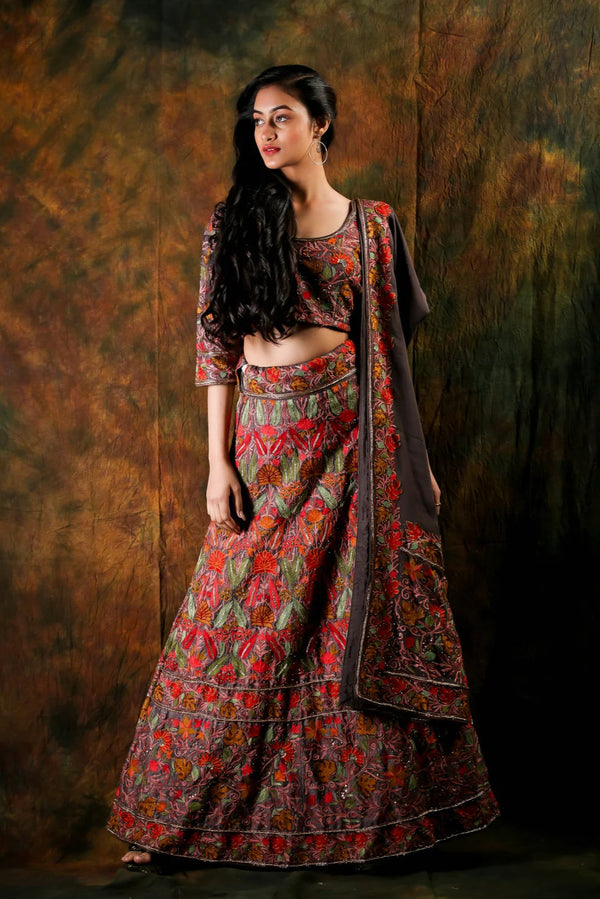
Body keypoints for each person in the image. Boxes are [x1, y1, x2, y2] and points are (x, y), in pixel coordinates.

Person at [108, 64, 498, 870]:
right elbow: (216, 348)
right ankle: (174, 820)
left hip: (357, 445)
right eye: (256, 120)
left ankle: (383, 824)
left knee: (349, 622)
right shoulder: (235, 222)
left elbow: (392, 355)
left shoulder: (373, 226)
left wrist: (415, 463)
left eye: (281, 117)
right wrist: (218, 464)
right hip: (268, 449)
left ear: (321, 124)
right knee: (236, 621)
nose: (265, 132)